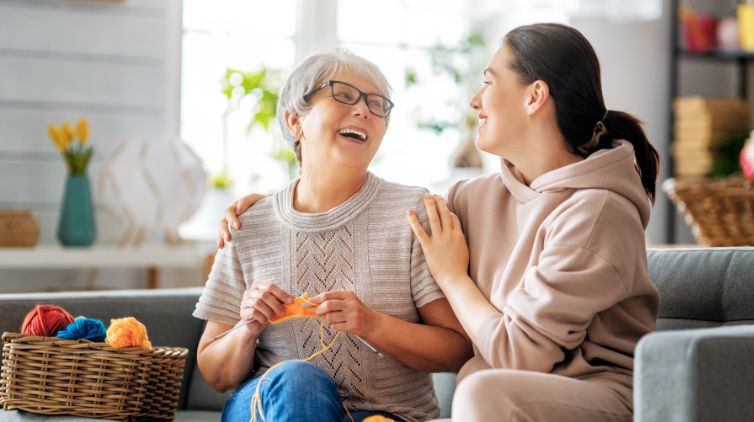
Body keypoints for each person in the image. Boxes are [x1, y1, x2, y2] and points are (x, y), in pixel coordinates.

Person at [220, 23, 660, 421]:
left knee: (480, 392)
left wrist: (452, 277)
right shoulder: (475, 197)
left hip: (590, 394)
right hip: (497, 393)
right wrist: (280, 207)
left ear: (534, 96)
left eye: (488, 82)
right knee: (478, 392)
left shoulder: (598, 211)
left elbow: (519, 354)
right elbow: (385, 212)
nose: (475, 100)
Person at [195, 48, 472, 422]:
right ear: (295, 121)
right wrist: (248, 327)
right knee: (297, 379)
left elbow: (457, 348)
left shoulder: (410, 213)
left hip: (383, 413)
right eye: (344, 95)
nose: (364, 111)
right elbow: (214, 372)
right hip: (276, 404)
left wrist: (372, 324)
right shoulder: (250, 224)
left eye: (377, 104)